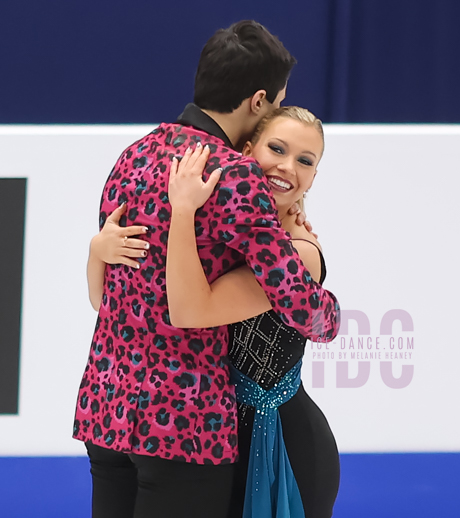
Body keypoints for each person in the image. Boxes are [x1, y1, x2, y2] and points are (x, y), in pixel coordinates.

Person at [74, 20, 340, 518]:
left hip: (106, 405)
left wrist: (95, 249)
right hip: (181, 420)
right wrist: (321, 285)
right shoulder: (235, 176)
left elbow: (110, 292)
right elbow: (306, 308)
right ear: (259, 101)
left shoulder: (134, 156)